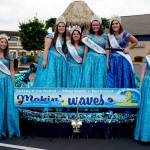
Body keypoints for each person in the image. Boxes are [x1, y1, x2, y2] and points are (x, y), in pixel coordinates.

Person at [33, 16, 67, 87]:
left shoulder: (64, 38)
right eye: (59, 26)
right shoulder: (51, 36)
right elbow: (46, 49)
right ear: (57, 27)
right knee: (49, 77)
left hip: (60, 61)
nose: (61, 28)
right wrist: (45, 60)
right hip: (50, 60)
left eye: (63, 26)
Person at [106, 16, 138, 88]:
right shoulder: (109, 36)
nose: (114, 25)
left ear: (120, 24)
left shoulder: (125, 34)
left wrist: (128, 48)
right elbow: (107, 49)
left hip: (124, 60)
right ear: (111, 26)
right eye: (113, 24)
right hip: (113, 61)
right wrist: (107, 61)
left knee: (124, 77)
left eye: (116, 23)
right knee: (112, 79)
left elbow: (135, 41)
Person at [0, 34, 20, 139]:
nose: (3, 44)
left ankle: (9, 129)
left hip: (7, 82)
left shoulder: (10, 56)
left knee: (9, 105)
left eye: (5, 42)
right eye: (1, 42)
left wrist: (13, 83)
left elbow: (12, 71)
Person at [81, 15, 107, 88]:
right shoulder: (88, 37)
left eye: (97, 25)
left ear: (100, 25)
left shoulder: (105, 36)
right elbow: (86, 50)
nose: (95, 26)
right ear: (91, 26)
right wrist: (84, 60)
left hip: (101, 60)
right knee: (89, 76)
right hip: (90, 59)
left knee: (100, 76)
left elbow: (107, 49)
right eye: (93, 25)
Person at [134, 53, 150, 142]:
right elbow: (143, 73)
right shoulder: (147, 58)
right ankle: (145, 135)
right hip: (147, 85)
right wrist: (140, 87)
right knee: (146, 108)